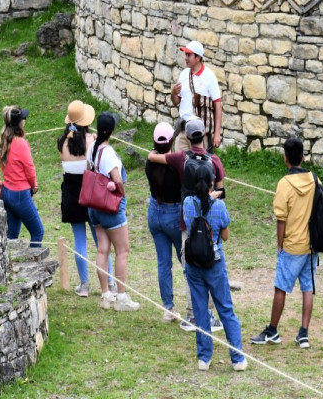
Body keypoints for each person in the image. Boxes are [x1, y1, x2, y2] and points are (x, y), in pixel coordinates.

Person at [147, 117, 225, 332]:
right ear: (204, 135)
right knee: (209, 263)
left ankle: (191, 314)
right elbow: (222, 192)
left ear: (187, 138)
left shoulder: (180, 157)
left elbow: (155, 157)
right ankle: (207, 314)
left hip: (187, 218)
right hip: (210, 222)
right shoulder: (215, 161)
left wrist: (151, 154)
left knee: (190, 265)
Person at [250, 136, 317, 349]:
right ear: (303, 157)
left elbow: (281, 218)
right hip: (311, 244)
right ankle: (304, 333)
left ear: (285, 159)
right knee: (307, 287)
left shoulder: (284, 184)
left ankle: (272, 330)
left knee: (281, 287)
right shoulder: (315, 180)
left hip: (292, 245)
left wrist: (280, 244)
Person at [182, 161, 247, 372]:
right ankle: (237, 358)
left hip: (193, 265)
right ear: (212, 183)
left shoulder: (187, 204)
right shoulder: (220, 207)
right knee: (225, 309)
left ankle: (204, 358)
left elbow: (190, 218)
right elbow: (225, 237)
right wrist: (213, 200)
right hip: (215, 264)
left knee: (200, 311)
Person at [57, 100, 115, 297]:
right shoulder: (93, 141)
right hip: (91, 195)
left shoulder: (62, 142)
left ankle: (84, 285)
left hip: (71, 197)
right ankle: (110, 280)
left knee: (79, 240)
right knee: (101, 241)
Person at [88, 111, 139, 312]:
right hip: (110, 206)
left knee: (102, 249)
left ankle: (105, 295)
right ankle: (122, 297)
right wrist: (122, 195)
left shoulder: (92, 147)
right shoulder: (108, 153)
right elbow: (116, 178)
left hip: (94, 206)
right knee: (122, 251)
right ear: (111, 131)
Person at [146, 121, 184, 322]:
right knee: (186, 260)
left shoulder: (149, 161)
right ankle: (193, 306)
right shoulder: (176, 162)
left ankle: (168, 308)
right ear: (170, 143)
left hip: (155, 212)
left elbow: (154, 154)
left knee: (163, 263)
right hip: (173, 213)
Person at [0, 106, 44, 247]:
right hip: (20, 193)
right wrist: (34, 185)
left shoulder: (4, 141)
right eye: (24, 118)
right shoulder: (21, 143)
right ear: (20, 123)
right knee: (37, 231)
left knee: (12, 234)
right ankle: (35, 265)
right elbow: (29, 168)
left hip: (7, 192)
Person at [170, 40, 222, 151]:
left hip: (200, 134)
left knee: (200, 166)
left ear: (198, 57)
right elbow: (176, 102)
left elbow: (218, 106)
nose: (186, 58)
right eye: (185, 55)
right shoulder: (184, 74)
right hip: (183, 130)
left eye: (189, 55)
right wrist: (173, 93)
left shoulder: (209, 76)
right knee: (180, 165)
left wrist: (217, 134)